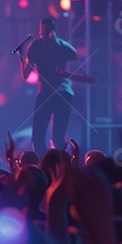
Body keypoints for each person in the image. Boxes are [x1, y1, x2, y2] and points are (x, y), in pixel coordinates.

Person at [18, 17, 77, 155]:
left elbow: (26, 75)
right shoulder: (52, 45)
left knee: (46, 138)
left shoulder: (42, 46)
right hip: (58, 93)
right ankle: (54, 165)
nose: (43, 33)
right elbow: (74, 55)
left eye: (46, 30)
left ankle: (52, 166)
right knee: (49, 138)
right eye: (42, 30)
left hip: (56, 94)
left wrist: (22, 57)